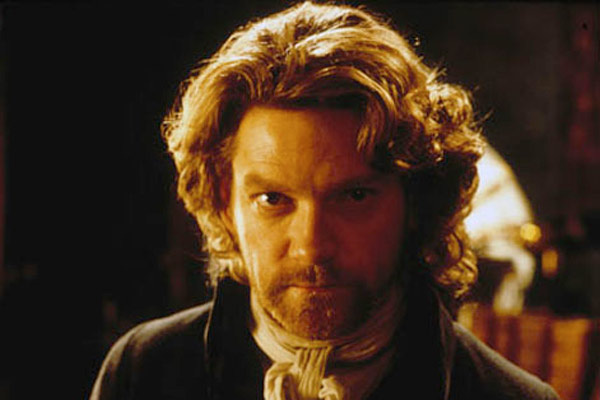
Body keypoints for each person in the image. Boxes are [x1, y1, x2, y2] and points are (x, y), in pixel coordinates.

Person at [90, 2, 561, 399]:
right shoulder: (142, 373)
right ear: (223, 203)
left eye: (354, 196)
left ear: (417, 202)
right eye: (273, 199)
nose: (311, 247)